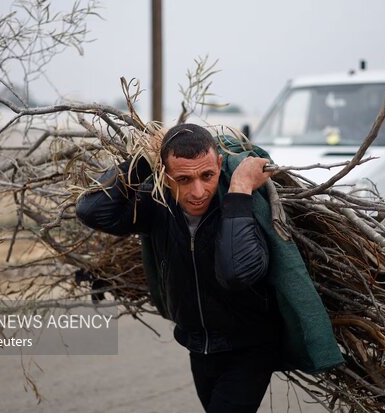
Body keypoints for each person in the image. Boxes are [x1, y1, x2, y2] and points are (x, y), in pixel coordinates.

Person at [76, 124, 342, 412]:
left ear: (218, 165)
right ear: (165, 175)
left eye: (207, 175)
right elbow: (92, 210)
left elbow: (237, 273)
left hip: (250, 347)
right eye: (184, 179)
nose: (198, 191)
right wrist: (144, 160)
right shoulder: (158, 205)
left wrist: (239, 191)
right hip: (198, 345)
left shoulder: (245, 206)